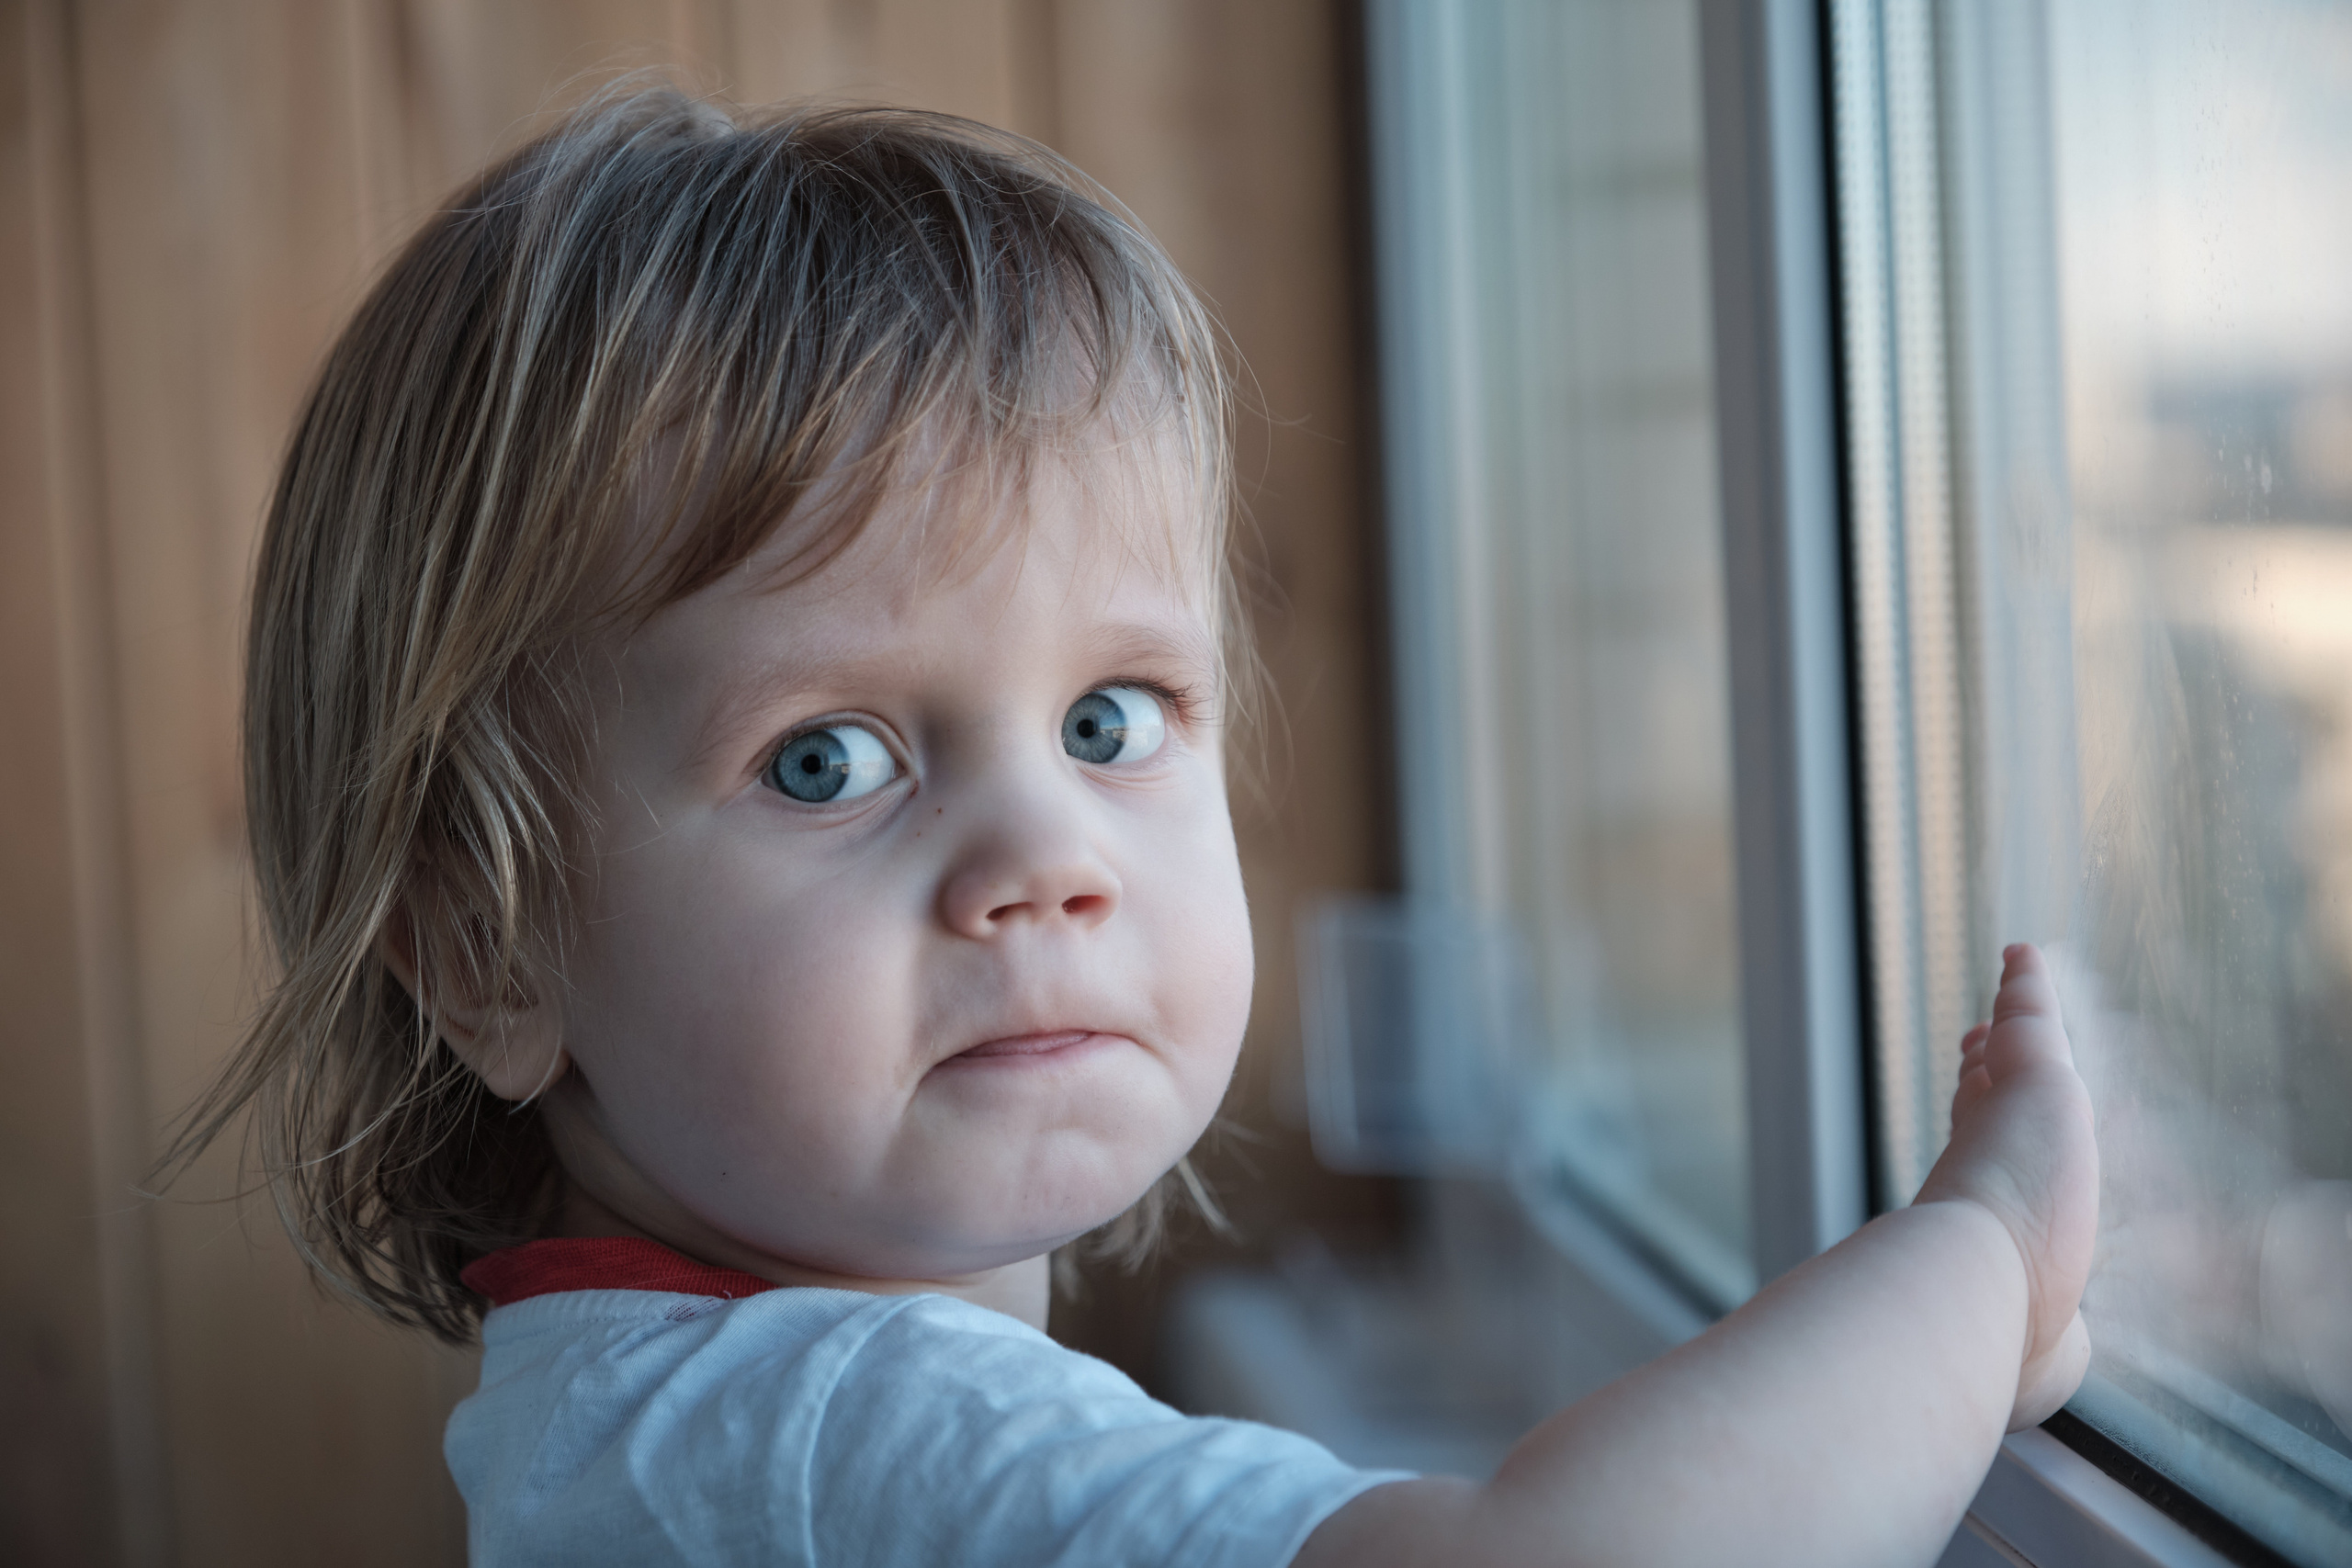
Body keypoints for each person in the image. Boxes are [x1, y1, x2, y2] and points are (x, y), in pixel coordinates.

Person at [169, 85, 2098, 1567]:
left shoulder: (633, 1405)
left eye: (1108, 720)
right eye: (826, 758)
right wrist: (1978, 1253)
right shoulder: (820, 1422)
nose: (1046, 856)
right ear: (487, 949)